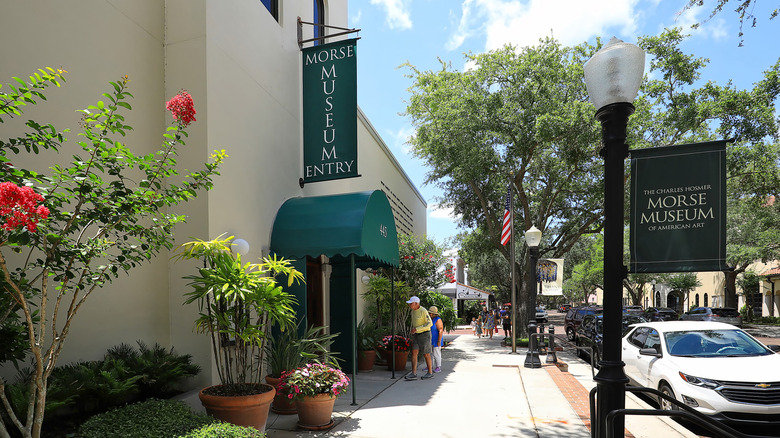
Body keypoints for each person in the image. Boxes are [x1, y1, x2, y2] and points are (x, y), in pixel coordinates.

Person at [404, 296, 434, 380]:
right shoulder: (413, 311)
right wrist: (414, 330)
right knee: (414, 352)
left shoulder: (423, 311)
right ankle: (413, 373)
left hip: (425, 334)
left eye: (411, 303)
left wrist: (417, 329)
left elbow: (429, 323)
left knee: (426, 353)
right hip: (416, 334)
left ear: (416, 304)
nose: (409, 305)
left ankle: (430, 372)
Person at [429, 306, 444, 373]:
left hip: (436, 340)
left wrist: (439, 341)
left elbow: (440, 330)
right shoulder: (431, 320)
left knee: (436, 353)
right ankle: (430, 365)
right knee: (430, 354)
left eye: (430, 313)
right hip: (430, 340)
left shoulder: (438, 320)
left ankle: (438, 366)